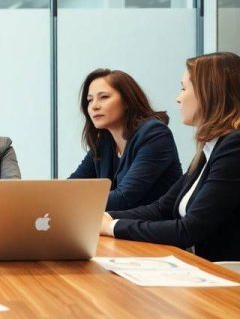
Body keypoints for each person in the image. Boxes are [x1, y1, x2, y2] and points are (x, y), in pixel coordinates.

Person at [100, 52, 240, 262]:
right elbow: (163, 208)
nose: (178, 97)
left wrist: (111, 227)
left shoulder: (234, 147)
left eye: (184, 88)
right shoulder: (210, 149)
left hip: (225, 277)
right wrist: (107, 217)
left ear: (208, 93)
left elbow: (189, 229)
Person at [69, 69, 182, 211]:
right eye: (90, 100)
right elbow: (71, 186)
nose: (94, 106)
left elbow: (124, 197)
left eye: (103, 97)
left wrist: (70, 202)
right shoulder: (104, 141)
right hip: (116, 227)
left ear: (127, 101)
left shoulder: (154, 134)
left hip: (153, 229)